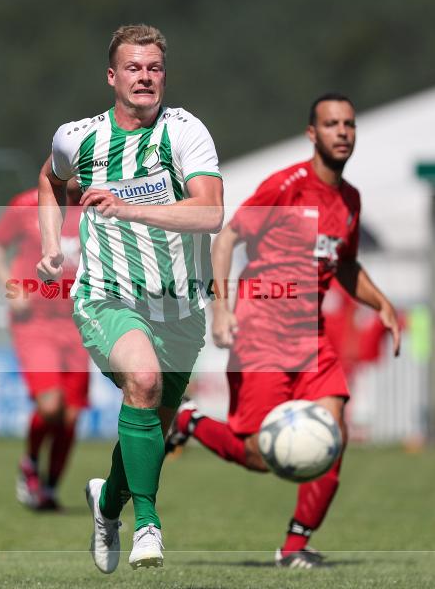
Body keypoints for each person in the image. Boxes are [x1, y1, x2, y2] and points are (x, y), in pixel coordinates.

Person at [165, 93, 401, 568]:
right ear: (312, 134)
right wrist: (222, 309)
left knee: (333, 438)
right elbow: (228, 237)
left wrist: (383, 304)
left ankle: (295, 548)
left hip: (311, 339)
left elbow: (346, 264)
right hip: (261, 333)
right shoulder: (287, 185)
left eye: (349, 124)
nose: (342, 132)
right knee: (257, 455)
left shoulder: (349, 199)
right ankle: (186, 420)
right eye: (331, 124)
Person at [35, 24, 224, 572]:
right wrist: (52, 243)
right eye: (135, 68)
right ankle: (147, 527)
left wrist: (127, 205)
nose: (146, 77)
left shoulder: (186, 132)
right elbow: (50, 179)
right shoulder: (79, 137)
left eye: (155, 68)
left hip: (181, 308)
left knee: (152, 427)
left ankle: (107, 500)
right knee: (142, 381)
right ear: (113, 77)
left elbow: (210, 212)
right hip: (106, 296)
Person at [0, 183, 88, 511]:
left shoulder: (96, 205)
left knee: (70, 416)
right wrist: (10, 286)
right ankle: (30, 462)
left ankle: (50, 487)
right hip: (35, 322)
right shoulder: (28, 203)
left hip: (79, 323)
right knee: (50, 406)